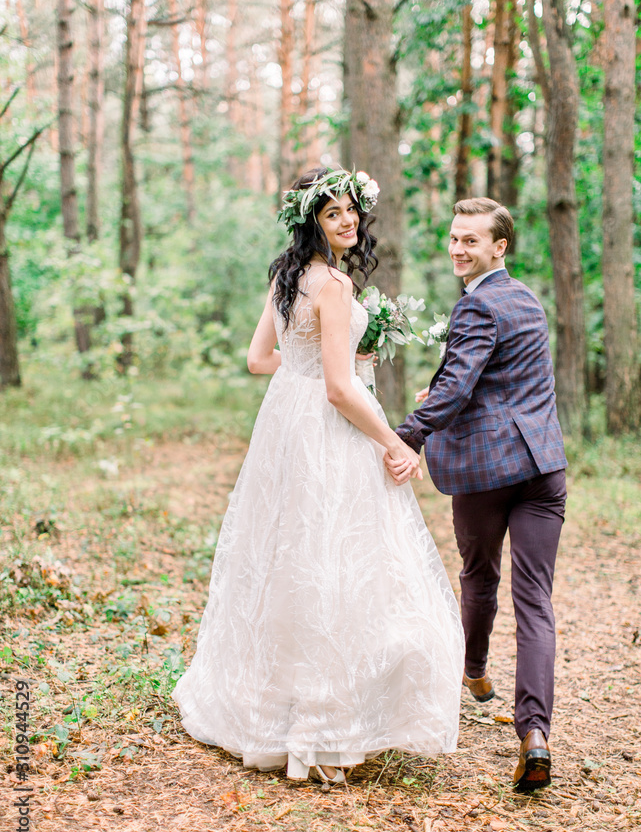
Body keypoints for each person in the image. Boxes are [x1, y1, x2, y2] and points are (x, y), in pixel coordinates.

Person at [173, 166, 464, 785]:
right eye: (333, 213)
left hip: (284, 423)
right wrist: (394, 441)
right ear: (312, 220)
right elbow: (339, 389)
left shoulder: (285, 275)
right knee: (335, 556)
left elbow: (260, 360)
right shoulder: (331, 284)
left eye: (352, 210)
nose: (348, 221)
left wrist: (316, 360)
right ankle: (325, 722)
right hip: (329, 432)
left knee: (290, 554)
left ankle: (275, 705)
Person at [386, 197, 567, 793]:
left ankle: (474, 670)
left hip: (490, 471)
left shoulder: (476, 306)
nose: (459, 249)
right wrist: (438, 388)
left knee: (479, 575)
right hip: (543, 466)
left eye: (472, 240)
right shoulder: (526, 299)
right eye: (455, 238)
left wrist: (408, 434)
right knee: (535, 600)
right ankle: (533, 732)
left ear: (500, 247)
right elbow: (502, 380)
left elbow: (461, 385)